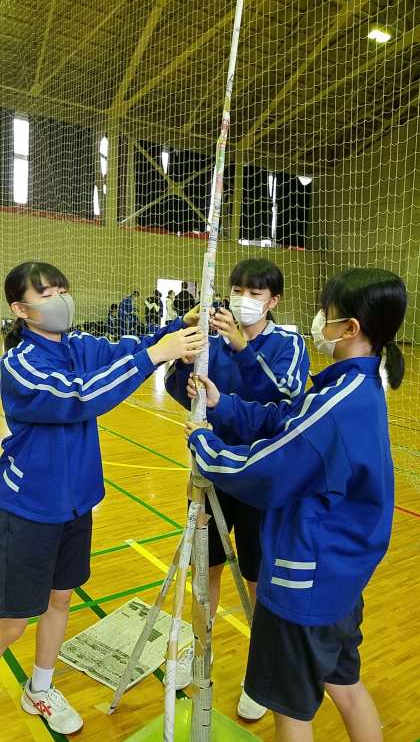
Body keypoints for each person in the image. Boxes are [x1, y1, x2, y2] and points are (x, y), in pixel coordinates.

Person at [185, 267, 407, 742]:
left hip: (305, 581)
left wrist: (205, 444)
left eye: (327, 312)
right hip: (339, 580)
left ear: (350, 328)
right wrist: (223, 405)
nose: (319, 320)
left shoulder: (338, 402)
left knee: (290, 712)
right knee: (345, 685)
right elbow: (284, 417)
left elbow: (266, 469)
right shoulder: (351, 386)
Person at [0, 261, 204, 735]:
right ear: (20, 309)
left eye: (62, 288)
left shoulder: (78, 347)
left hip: (77, 503)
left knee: (61, 599)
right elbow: (80, 397)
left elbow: (128, 349)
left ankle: (40, 688)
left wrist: (181, 325)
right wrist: (156, 356)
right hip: (29, 508)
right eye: (47, 293)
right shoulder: (20, 365)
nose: (61, 299)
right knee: (11, 623)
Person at [165, 258, 309, 717]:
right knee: (204, 570)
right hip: (211, 469)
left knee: (258, 575)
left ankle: (259, 672)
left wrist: (242, 347)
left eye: (254, 292)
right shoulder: (212, 337)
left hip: (261, 476)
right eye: (238, 290)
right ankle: (198, 652)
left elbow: (286, 400)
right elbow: (183, 392)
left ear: (273, 301)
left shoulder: (287, 343)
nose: (243, 299)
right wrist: (182, 368)